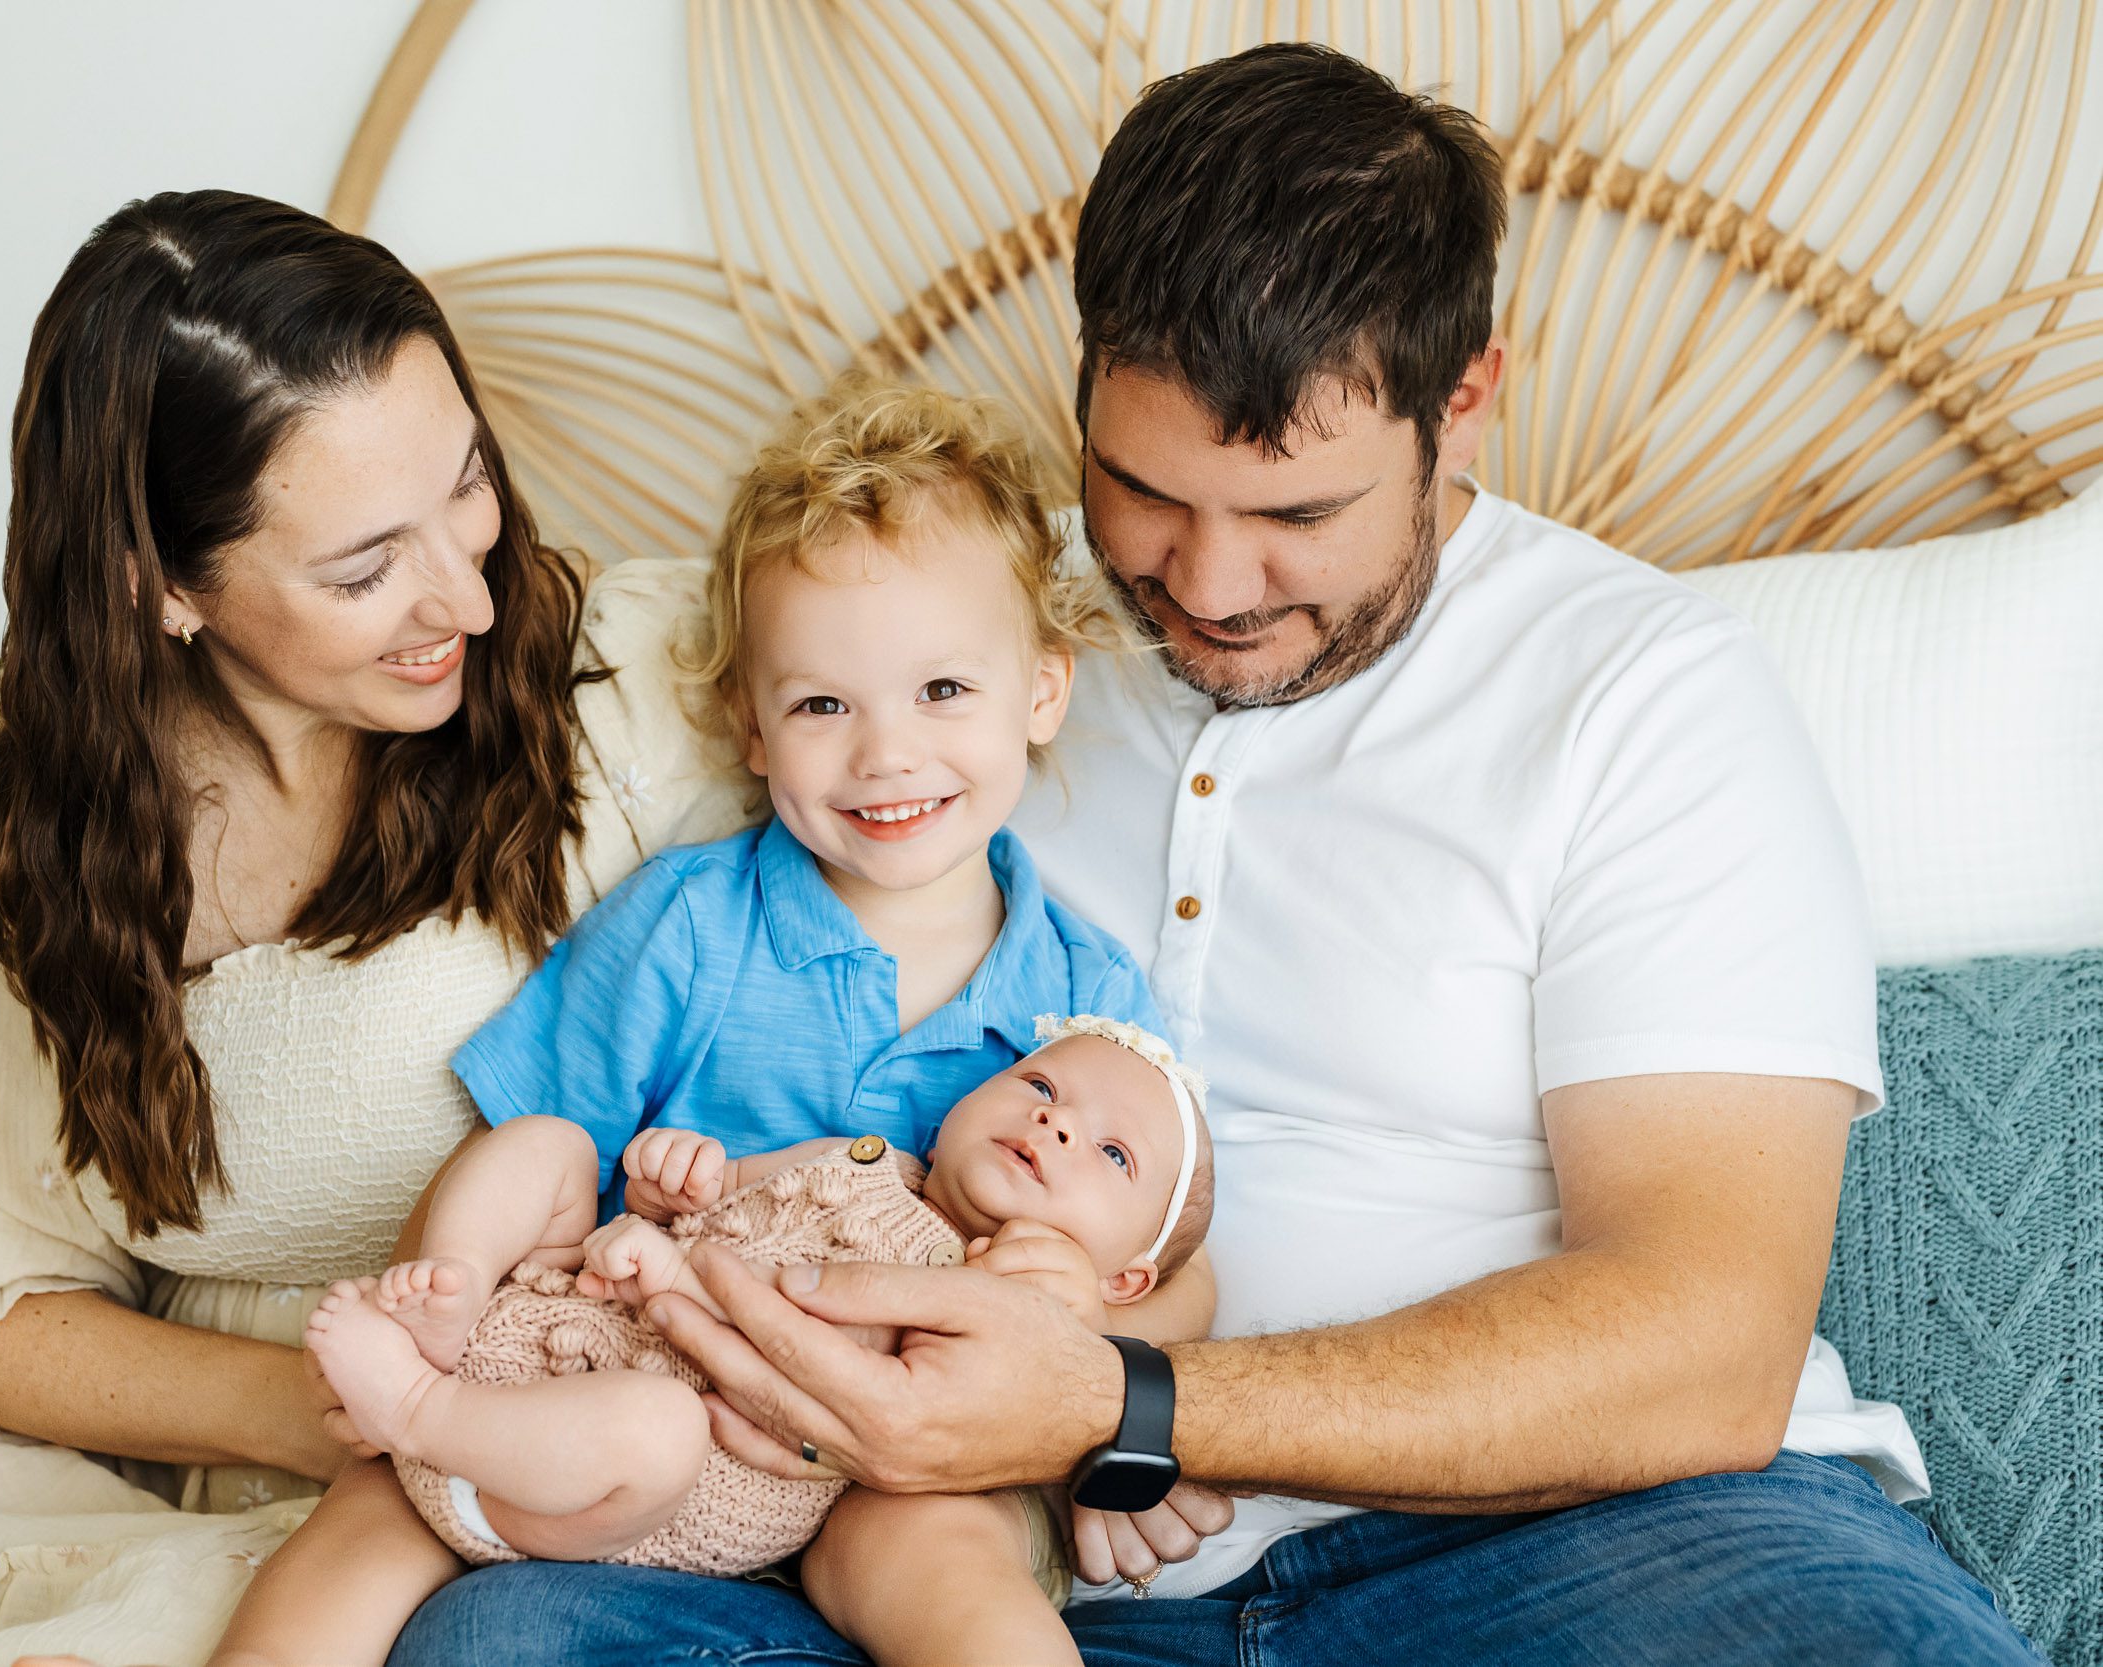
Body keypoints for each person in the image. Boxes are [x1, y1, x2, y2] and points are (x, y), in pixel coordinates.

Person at [395, 44, 2044, 1667]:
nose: (1210, 583)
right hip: (997, 1566)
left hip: (1584, 1537)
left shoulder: (1644, 693)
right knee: (505, 1640)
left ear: (1462, 401)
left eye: (1300, 517)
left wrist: (1132, 1403)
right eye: (1142, 491)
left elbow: (1703, 1343)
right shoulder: (964, 648)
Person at [0, 190, 747, 1665]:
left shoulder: (640, 692)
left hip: (483, 1493)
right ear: (163, 584)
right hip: (174, 1449)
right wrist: (308, 1399)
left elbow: (968, 653)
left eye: (469, 480)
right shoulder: (34, 784)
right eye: (361, 567)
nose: (465, 588)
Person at [202, 375, 1215, 1667]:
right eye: (823, 705)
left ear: (1043, 692)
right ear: (751, 721)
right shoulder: (688, 924)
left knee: (943, 1555)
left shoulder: (1084, 1003)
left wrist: (1102, 1337)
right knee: (396, 1488)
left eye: (945, 689)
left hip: (882, 1461)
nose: (886, 754)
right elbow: (539, 1150)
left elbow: (1172, 1248)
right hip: (622, 1389)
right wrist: (457, 1281)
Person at [214, 1019, 1210, 1667]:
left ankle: (419, 1403)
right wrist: (677, 1177)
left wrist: (1067, 1314)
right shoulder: (862, 1153)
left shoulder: (992, 1300)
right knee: (547, 1142)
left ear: (1126, 1279)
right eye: (1039, 1085)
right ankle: (449, 1291)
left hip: (616, 1479)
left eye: (1112, 1152)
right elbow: (725, 1191)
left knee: (654, 1424)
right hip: (557, 1327)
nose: (1057, 1123)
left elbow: (827, 1382)